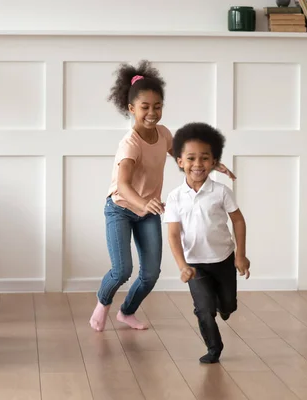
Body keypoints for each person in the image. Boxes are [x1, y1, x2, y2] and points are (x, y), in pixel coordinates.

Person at [89, 61, 235, 332]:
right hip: (120, 209)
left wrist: (215, 165)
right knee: (122, 271)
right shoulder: (130, 144)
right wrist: (144, 203)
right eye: (145, 107)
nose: (152, 113)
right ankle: (103, 302)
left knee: (151, 273)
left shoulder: (164, 134)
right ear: (131, 109)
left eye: (158, 106)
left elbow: (185, 157)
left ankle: (127, 311)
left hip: (148, 212)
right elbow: (122, 184)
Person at [163, 122, 250, 363]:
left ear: (213, 162)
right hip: (195, 264)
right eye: (191, 158)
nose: (198, 164)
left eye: (204, 158)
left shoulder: (221, 191)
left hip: (223, 259)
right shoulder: (175, 197)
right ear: (180, 161)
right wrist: (182, 266)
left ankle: (225, 308)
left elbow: (239, 221)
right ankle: (214, 348)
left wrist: (241, 255)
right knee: (203, 309)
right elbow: (172, 234)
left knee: (228, 306)